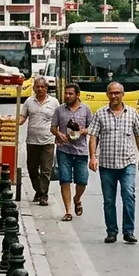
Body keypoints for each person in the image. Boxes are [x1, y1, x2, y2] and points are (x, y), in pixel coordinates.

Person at [88, 81, 139, 244]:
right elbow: (93, 136)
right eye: (111, 93)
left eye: (117, 93)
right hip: (106, 165)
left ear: (123, 94)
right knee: (109, 200)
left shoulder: (132, 113)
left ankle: (128, 231)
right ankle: (111, 231)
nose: (114, 96)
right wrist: (92, 156)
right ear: (107, 94)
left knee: (128, 195)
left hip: (127, 163)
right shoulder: (100, 114)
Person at [52, 83, 93, 222]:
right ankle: (68, 211)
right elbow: (53, 127)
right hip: (64, 149)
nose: (67, 96)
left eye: (70, 94)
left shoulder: (86, 110)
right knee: (65, 180)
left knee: (82, 180)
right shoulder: (59, 110)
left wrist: (83, 131)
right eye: (66, 93)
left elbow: (92, 128)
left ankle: (77, 198)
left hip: (81, 151)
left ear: (77, 95)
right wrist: (58, 133)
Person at [21, 77, 60, 206]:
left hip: (47, 141)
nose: (40, 89)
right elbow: (22, 117)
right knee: (32, 169)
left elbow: (59, 120)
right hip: (32, 141)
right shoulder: (28, 102)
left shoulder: (54, 102)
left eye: (42, 87)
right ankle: (38, 190)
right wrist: (12, 123)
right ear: (34, 88)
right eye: (37, 86)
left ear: (46, 88)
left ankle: (43, 195)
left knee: (46, 170)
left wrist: (59, 135)